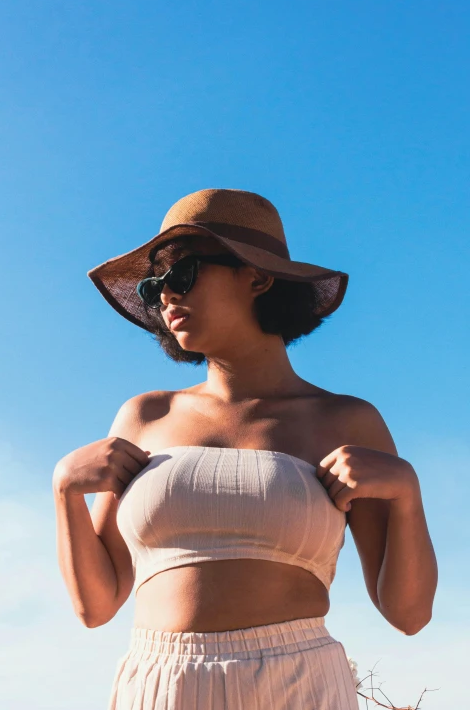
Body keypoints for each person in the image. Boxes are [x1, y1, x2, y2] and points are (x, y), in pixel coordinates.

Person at [52, 188, 438, 710]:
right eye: (154, 285)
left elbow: (407, 615)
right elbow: (95, 607)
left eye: (183, 274)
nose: (166, 296)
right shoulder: (145, 417)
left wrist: (407, 496)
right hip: (160, 683)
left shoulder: (346, 420)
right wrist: (64, 490)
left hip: (300, 684)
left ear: (257, 276)